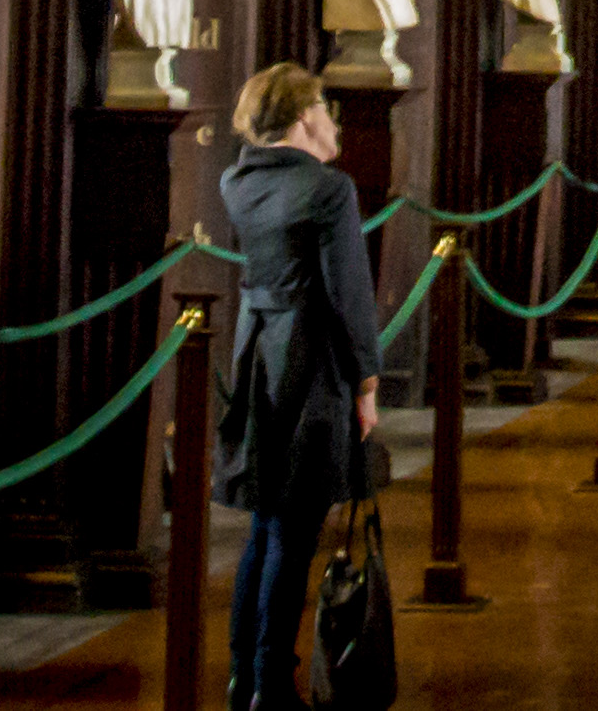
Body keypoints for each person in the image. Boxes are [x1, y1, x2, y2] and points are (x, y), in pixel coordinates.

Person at [212, 63, 386, 711]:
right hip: (313, 365)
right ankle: (270, 685)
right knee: (293, 529)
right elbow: (349, 295)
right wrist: (366, 382)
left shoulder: (238, 180)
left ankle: (243, 676)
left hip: (260, 357)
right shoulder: (327, 190)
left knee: (264, 526)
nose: (333, 123)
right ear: (304, 114)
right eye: (326, 110)